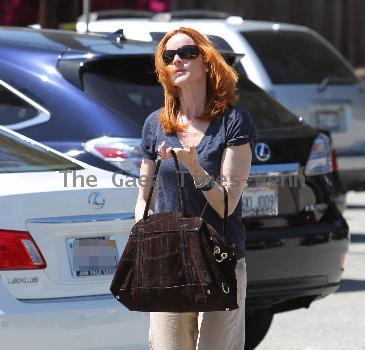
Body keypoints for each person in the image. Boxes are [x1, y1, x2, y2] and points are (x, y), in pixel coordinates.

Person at [135, 27, 257, 350]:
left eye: (187, 53)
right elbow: (143, 199)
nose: (177, 60)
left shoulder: (233, 123)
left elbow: (227, 205)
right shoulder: (155, 125)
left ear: (206, 62)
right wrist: (142, 244)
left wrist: (195, 167)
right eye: (168, 56)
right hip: (168, 261)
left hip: (220, 259)